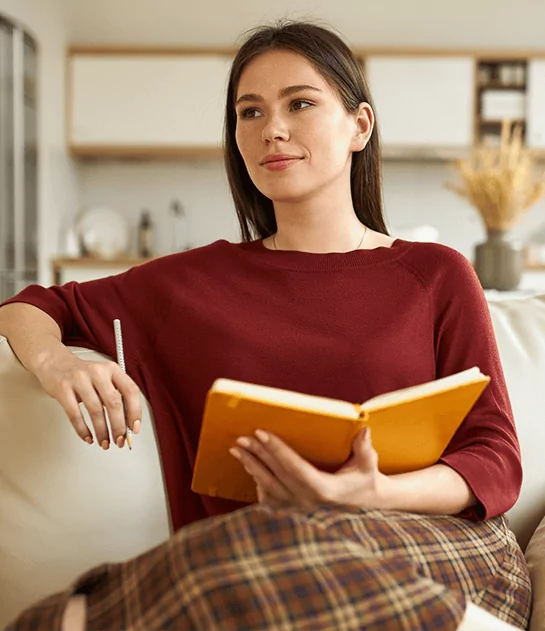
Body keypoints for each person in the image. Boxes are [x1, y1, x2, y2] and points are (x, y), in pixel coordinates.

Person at [0, 18, 531, 631]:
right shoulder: (188, 287)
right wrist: (55, 361)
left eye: (299, 104)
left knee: (245, 555)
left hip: (437, 548)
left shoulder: (436, 274)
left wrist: (369, 494)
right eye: (248, 113)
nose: (271, 129)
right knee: (262, 547)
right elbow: (33, 304)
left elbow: (496, 459)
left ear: (360, 126)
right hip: (262, 567)